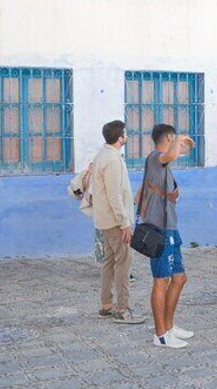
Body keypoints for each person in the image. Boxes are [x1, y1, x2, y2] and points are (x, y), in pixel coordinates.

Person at [137, 124, 196, 348]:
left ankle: (169, 326)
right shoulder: (155, 158)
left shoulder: (164, 166)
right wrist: (180, 138)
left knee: (179, 278)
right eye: (177, 140)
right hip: (160, 230)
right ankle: (160, 334)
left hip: (170, 228)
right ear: (169, 137)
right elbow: (171, 153)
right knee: (161, 281)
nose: (180, 147)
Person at [90, 120, 144, 324]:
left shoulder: (103, 155)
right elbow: (114, 196)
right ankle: (122, 308)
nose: (127, 135)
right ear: (120, 137)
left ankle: (106, 305)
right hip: (114, 221)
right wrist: (124, 223)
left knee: (109, 262)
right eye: (125, 133)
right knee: (123, 263)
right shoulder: (112, 160)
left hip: (105, 219)